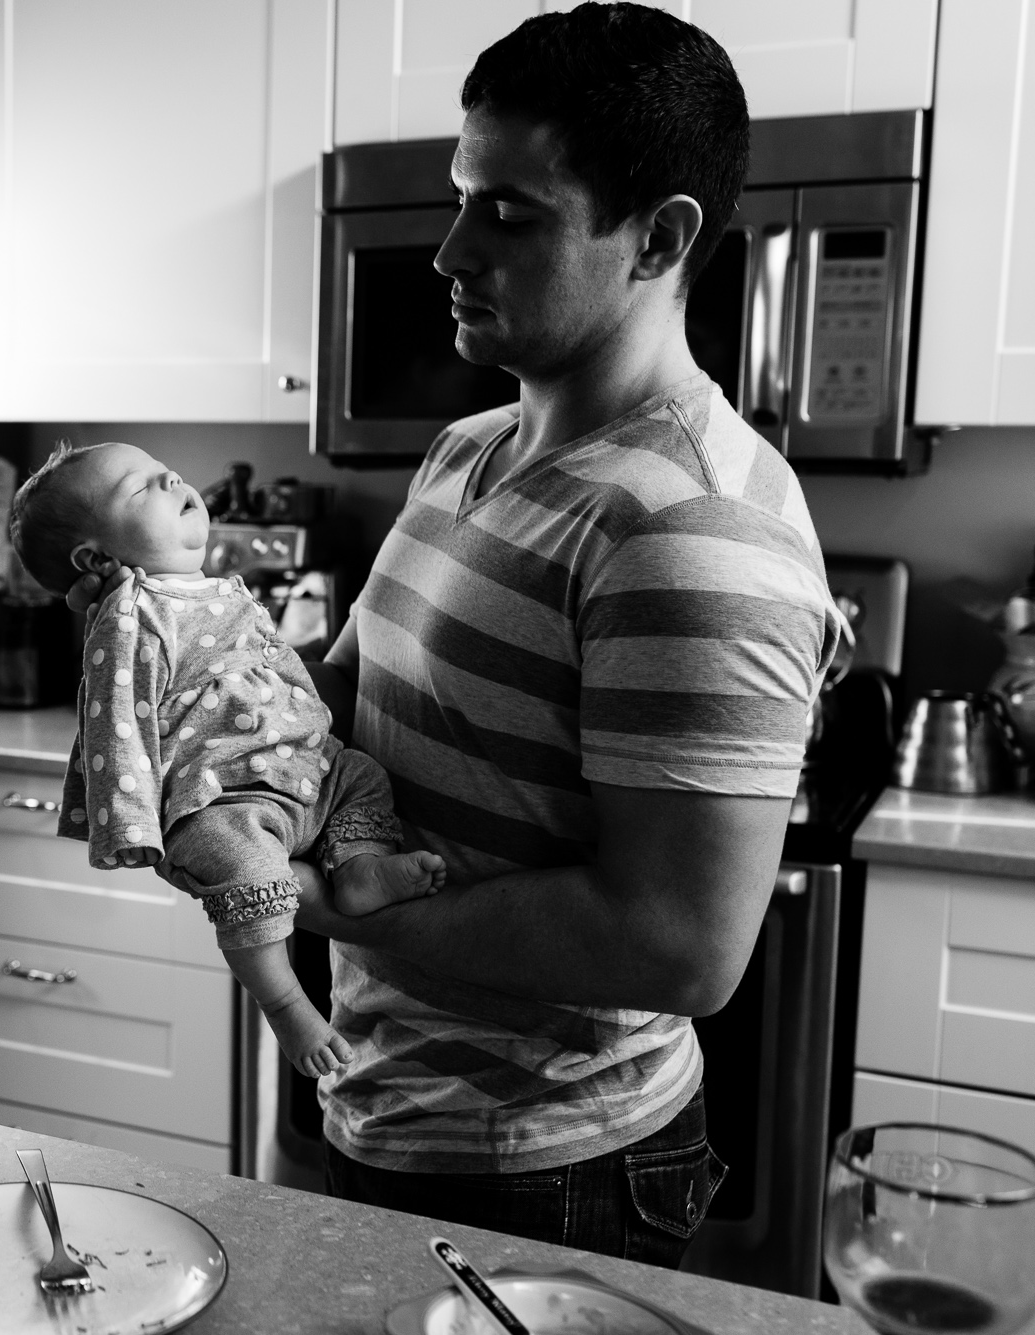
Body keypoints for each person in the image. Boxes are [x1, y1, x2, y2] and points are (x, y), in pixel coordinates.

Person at [286, 5, 847, 1264]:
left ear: (657, 238)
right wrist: (200, 697)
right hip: (377, 1104)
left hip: (547, 1169)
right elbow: (351, 701)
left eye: (509, 214)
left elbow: (679, 945)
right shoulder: (468, 447)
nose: (448, 250)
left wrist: (344, 912)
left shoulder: (690, 529)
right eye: (459, 196)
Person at [9, 440, 446, 1077]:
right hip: (221, 795)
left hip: (300, 771)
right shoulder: (130, 618)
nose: (172, 477)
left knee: (362, 778)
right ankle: (286, 1003)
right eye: (142, 487)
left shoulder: (216, 589)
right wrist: (133, 825)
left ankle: (358, 867)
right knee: (248, 872)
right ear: (96, 557)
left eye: (165, 470)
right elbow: (114, 723)